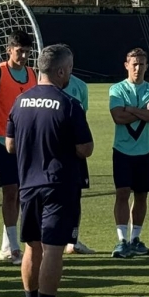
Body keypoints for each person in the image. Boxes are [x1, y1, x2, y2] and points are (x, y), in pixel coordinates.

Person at [6, 43, 94, 297]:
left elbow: (10, 145)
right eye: (68, 70)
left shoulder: (20, 101)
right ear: (60, 71)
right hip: (58, 184)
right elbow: (85, 148)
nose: (69, 75)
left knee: (32, 248)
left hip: (29, 184)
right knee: (53, 249)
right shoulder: (69, 104)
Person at [0, 31, 37, 266]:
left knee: (26, 193)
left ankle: (11, 243)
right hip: (3, 141)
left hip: (28, 142)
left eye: (27, 51)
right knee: (11, 192)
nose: (23, 56)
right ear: (9, 50)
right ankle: (14, 248)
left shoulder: (32, 73)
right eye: (19, 51)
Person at [108, 48, 149, 258]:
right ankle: (122, 240)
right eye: (134, 64)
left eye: (142, 64)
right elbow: (117, 118)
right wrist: (143, 112)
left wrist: (130, 109)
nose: (138, 68)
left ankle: (135, 239)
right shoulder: (117, 89)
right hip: (122, 149)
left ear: (146, 66)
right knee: (122, 194)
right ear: (126, 65)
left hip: (146, 150)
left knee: (142, 196)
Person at [63, 70, 96, 255]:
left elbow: (82, 116)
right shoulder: (43, 84)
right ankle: (49, 240)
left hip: (76, 150)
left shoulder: (80, 86)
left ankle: (72, 240)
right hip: (56, 152)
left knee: (75, 197)